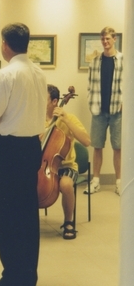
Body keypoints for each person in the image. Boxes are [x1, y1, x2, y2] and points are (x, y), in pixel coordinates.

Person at [0, 23, 47, 286]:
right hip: (31, 148)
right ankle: (27, 275)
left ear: (5, 45)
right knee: (27, 214)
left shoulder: (6, 74)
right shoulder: (39, 73)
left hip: (8, 151)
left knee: (5, 215)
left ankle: (12, 278)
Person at [45, 84, 90, 239]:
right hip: (44, 165)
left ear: (54, 101)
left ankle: (68, 222)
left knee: (65, 184)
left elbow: (86, 141)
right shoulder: (35, 119)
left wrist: (66, 120)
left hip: (66, 166)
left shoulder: (68, 118)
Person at [86, 26, 123, 195]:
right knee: (97, 146)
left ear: (114, 39)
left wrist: (125, 102)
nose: (105, 42)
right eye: (103, 39)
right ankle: (95, 181)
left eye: (108, 38)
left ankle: (119, 182)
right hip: (99, 110)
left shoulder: (123, 60)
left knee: (118, 147)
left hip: (117, 110)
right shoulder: (95, 61)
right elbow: (90, 84)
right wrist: (90, 100)